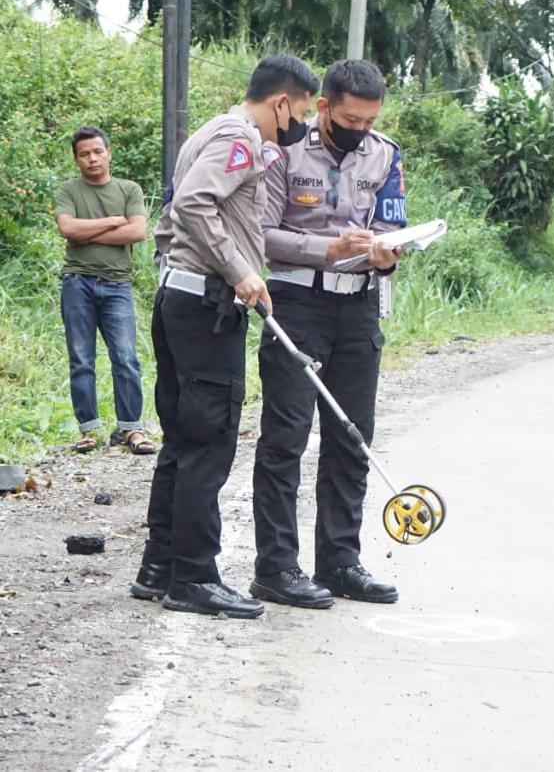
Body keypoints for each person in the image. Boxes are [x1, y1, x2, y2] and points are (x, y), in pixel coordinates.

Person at [130, 55, 319, 619]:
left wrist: (198, 270)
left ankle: (159, 567)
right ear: (282, 102)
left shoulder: (211, 131)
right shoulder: (238, 137)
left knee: (184, 436)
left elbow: (174, 216)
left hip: (182, 297)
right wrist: (239, 270)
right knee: (210, 439)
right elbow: (192, 204)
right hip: (205, 306)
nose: (300, 124)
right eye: (301, 111)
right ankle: (194, 576)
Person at [250, 59, 405, 609]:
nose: (360, 130)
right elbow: (263, 233)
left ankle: (340, 562)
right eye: (350, 119)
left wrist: (387, 254)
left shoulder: (385, 154)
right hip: (295, 302)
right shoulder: (283, 149)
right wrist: (326, 249)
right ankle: (276, 566)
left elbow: (391, 224)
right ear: (323, 108)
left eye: (369, 121)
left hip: (358, 307)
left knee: (352, 436)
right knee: (285, 437)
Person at [54, 126, 155, 455]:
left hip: (117, 285)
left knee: (126, 358)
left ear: (109, 153)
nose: (92, 158)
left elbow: (138, 231)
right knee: (81, 359)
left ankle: (130, 429)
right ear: (77, 159)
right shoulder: (69, 190)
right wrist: (114, 221)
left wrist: (85, 233)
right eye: (84, 154)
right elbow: (67, 228)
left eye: (97, 151)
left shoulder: (129, 189)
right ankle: (89, 430)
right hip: (77, 283)